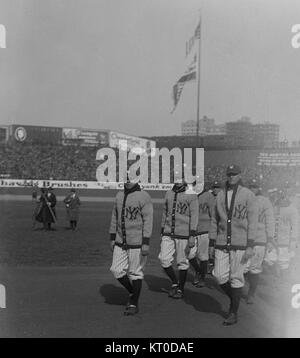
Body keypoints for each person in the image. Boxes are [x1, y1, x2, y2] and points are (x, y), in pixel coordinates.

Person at [209, 164, 258, 326]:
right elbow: (215, 220)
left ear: (240, 175)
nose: (231, 177)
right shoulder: (220, 194)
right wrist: (211, 242)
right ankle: (234, 298)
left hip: (241, 243)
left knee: (236, 277)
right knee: (218, 275)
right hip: (222, 241)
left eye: (234, 174)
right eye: (229, 174)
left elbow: (252, 222)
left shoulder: (248, 195)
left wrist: (250, 245)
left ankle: (233, 312)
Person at [109, 179, 153, 316]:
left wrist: (146, 242)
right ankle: (133, 292)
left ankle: (134, 303)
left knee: (135, 272)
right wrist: (112, 237)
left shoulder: (144, 196)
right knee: (116, 270)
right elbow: (114, 217)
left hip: (137, 242)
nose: (128, 181)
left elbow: (148, 220)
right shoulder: (119, 195)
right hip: (120, 240)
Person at [158, 181, 198, 299]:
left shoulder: (191, 194)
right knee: (164, 259)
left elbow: (194, 215)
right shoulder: (169, 193)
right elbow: (165, 212)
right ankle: (175, 282)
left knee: (182, 262)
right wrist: (162, 229)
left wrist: (192, 234)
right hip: (168, 231)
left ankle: (180, 289)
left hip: (184, 234)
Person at [244, 179, 275, 304]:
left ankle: (251, 294)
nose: (253, 189)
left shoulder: (265, 201)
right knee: (243, 267)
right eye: (251, 186)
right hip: (245, 238)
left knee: (255, 268)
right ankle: (241, 288)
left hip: (260, 239)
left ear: (259, 188)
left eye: (255, 187)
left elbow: (270, 220)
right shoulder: (245, 199)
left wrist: (270, 238)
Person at [188, 183, 215, 287]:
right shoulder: (191, 195)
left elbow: (213, 215)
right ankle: (199, 271)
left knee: (203, 256)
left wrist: (213, 230)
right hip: (192, 231)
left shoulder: (209, 196)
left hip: (205, 230)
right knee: (189, 255)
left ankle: (202, 278)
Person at [272, 189, 298, 284]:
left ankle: (283, 283)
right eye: (279, 195)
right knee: (272, 260)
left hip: (286, 241)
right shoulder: (274, 208)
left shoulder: (292, 210)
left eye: (283, 196)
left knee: (284, 263)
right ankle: (276, 279)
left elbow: (295, 227)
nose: (281, 197)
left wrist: (293, 241)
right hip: (274, 240)